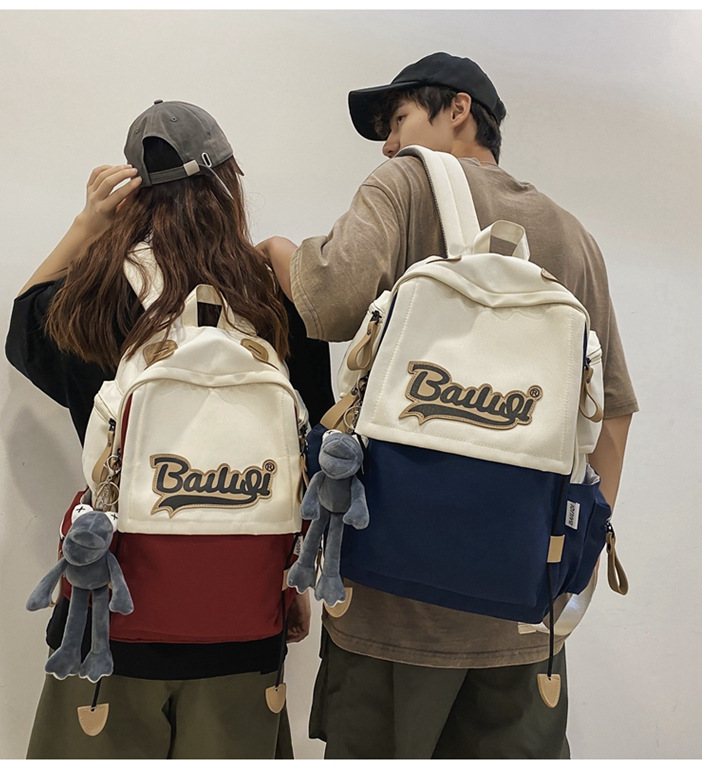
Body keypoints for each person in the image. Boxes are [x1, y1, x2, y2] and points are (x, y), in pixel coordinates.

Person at [257, 52, 638, 759]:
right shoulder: (572, 236)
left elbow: (330, 299)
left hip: (389, 617)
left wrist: (280, 252)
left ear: (458, 110)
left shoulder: (406, 183)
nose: (388, 144)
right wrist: (568, 565)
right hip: (521, 622)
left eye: (397, 119)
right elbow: (611, 413)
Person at [6, 100, 333, 759]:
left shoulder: (99, 291)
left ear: (130, 193)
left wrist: (86, 224)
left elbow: (23, 329)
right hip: (245, 610)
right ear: (228, 179)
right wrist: (286, 583)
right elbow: (313, 451)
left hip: (112, 621)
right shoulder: (272, 297)